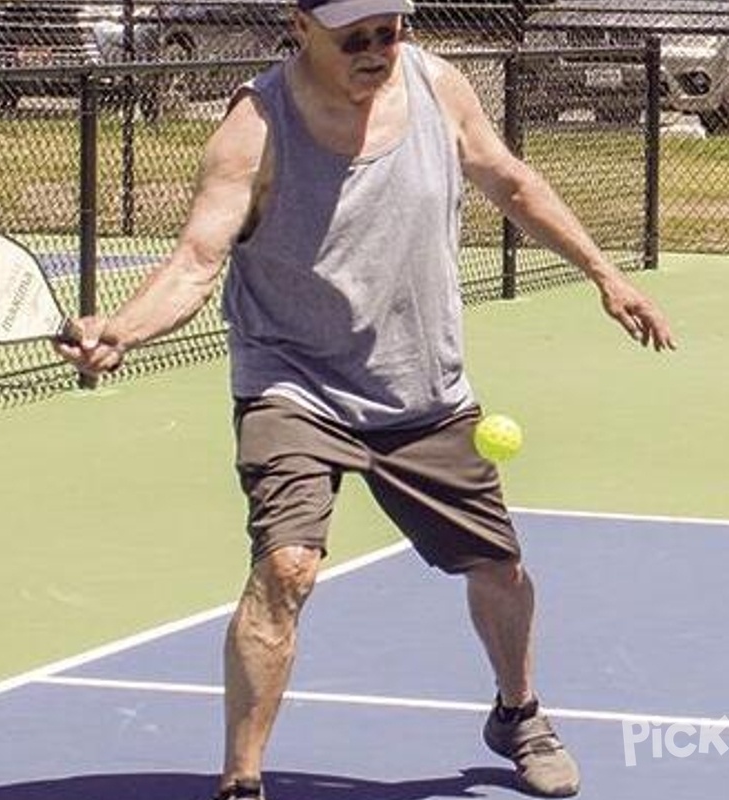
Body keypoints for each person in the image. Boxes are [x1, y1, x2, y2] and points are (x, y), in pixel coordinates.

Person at [56, 0, 676, 796]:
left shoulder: (439, 89)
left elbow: (512, 182)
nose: (379, 49)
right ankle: (240, 782)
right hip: (294, 383)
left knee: (498, 567)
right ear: (300, 26)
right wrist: (125, 329)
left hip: (421, 386)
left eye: (392, 31)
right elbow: (195, 260)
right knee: (286, 566)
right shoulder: (254, 128)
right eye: (358, 37)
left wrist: (605, 274)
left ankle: (517, 712)